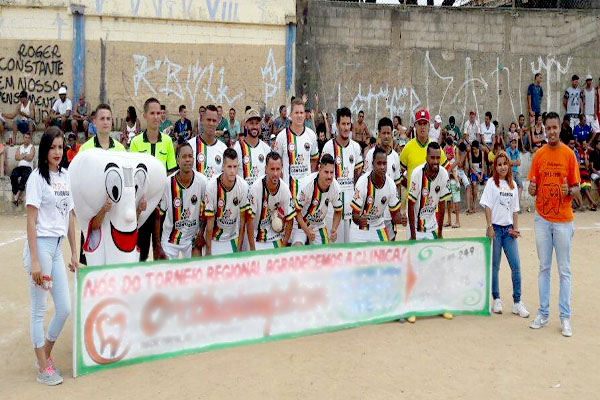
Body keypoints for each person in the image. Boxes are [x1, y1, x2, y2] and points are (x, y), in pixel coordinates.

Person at [24, 127, 78, 385]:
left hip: (57, 249)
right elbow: (31, 220)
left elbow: (69, 216)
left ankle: (44, 355)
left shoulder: (66, 176)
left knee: (65, 308)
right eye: (52, 147)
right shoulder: (37, 178)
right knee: (39, 310)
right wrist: (34, 260)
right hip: (41, 249)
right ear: (45, 150)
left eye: (60, 147)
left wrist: (74, 253)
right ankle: (43, 368)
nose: (57, 152)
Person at [528, 111, 580, 337]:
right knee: (544, 268)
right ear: (543, 129)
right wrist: (531, 190)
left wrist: (570, 191)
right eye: (547, 128)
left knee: (564, 270)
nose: (551, 132)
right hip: (542, 218)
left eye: (554, 128)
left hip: (563, 220)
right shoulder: (538, 155)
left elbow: (577, 188)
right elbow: (533, 185)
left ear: (560, 128)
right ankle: (543, 313)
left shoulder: (569, 155)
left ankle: (565, 317)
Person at [406, 142, 452, 323]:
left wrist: (440, 232)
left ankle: (439, 305)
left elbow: (441, 203)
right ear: (426, 158)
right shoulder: (417, 174)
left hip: (432, 227)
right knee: (414, 269)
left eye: (437, 158)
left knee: (437, 267)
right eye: (432, 157)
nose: (435, 161)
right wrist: (412, 235)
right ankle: (411, 307)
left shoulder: (444, 174)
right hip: (417, 229)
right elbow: (410, 204)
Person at [481, 150, 529, 318]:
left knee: (516, 266)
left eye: (505, 164)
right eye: (499, 164)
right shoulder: (490, 184)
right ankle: (497, 299)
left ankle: (517, 302)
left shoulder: (513, 186)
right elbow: (487, 205)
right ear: (495, 166)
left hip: (508, 230)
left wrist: (515, 228)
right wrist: (489, 226)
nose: (502, 167)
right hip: (496, 229)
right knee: (495, 266)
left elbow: (515, 209)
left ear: (509, 166)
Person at [78, 104, 127, 265]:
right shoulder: (85, 149)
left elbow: (126, 181)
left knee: (113, 264)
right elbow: (79, 183)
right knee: (91, 265)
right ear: (94, 122)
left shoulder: (120, 149)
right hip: (93, 215)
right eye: (102, 119)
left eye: (108, 118)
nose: (105, 122)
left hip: (114, 214)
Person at [130, 98, 177, 262]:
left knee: (160, 252)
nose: (156, 117)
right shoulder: (135, 143)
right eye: (152, 113)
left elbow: (171, 173)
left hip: (162, 208)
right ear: (144, 115)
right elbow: (133, 178)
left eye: (159, 113)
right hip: (142, 208)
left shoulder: (168, 142)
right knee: (140, 254)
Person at [155, 142, 207, 259]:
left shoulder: (202, 181)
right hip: (170, 239)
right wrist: (158, 245)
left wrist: (201, 233)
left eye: (190, 156)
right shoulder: (167, 183)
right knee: (167, 273)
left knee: (195, 272)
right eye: (184, 157)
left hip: (192, 238)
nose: (187, 160)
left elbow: (208, 210)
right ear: (177, 160)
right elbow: (158, 216)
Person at [321, 107, 363, 243]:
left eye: (348, 124)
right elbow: (322, 177)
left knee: (350, 251)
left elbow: (358, 176)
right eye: (343, 124)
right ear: (337, 125)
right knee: (333, 250)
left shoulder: (356, 147)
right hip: (333, 209)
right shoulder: (328, 147)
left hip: (351, 207)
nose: (346, 127)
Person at [350, 147, 405, 243]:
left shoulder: (391, 184)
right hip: (360, 229)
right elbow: (354, 215)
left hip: (378, 226)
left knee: (384, 256)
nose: (382, 167)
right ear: (373, 164)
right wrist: (359, 220)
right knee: (359, 257)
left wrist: (402, 219)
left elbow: (395, 215)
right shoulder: (362, 182)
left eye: (384, 163)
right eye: (379, 163)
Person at [204, 148, 252, 255]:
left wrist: (239, 248)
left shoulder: (243, 186)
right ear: (222, 167)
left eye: (235, 167)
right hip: (215, 238)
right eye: (229, 167)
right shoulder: (211, 186)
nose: (232, 171)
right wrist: (208, 251)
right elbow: (210, 222)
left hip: (232, 237)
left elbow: (243, 219)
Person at [292, 154, 343, 245]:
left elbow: (338, 211)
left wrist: (334, 228)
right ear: (319, 169)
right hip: (301, 223)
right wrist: (307, 231)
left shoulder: (335, 187)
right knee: (298, 248)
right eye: (326, 172)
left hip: (318, 224)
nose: (329, 176)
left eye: (332, 172)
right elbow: (297, 211)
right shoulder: (307, 184)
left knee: (325, 254)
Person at [400, 109, 449, 203]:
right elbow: (399, 173)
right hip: (412, 204)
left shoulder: (435, 148)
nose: (422, 127)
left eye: (425, 124)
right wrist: (410, 186)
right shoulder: (408, 147)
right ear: (415, 126)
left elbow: (446, 169)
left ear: (429, 126)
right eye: (420, 124)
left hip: (432, 205)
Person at [364, 117, 402, 239]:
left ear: (392, 134)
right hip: (373, 213)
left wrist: (397, 208)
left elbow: (398, 185)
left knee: (390, 243)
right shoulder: (371, 154)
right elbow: (365, 182)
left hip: (389, 213)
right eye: (383, 133)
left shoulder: (395, 157)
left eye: (388, 133)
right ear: (379, 134)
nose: (386, 136)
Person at [249, 152, 295, 249]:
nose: (275, 173)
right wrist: (252, 248)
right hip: (255, 236)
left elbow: (290, 219)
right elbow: (249, 220)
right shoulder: (255, 188)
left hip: (275, 236)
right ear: (266, 169)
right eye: (272, 169)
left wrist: (283, 246)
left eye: (278, 169)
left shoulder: (285, 189)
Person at [275, 98, 319, 197]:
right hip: (288, 192)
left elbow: (314, 160)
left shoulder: (311, 135)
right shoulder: (282, 136)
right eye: (296, 113)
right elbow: (276, 163)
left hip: (306, 192)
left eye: (301, 113)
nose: (299, 116)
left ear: (305, 114)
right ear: (290, 115)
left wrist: (308, 178)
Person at [233, 109, 271, 187]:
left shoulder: (266, 148)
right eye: (251, 123)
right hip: (243, 197)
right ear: (246, 126)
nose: (254, 127)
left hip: (261, 197)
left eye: (257, 123)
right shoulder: (238, 148)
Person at [190, 104, 228, 180]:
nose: (211, 123)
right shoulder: (190, 146)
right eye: (208, 120)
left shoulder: (223, 149)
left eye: (214, 121)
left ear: (217, 123)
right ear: (202, 121)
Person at [11, 131, 35, 206]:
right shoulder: (19, 147)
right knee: (13, 175)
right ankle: (18, 195)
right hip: (20, 167)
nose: (27, 139)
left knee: (25, 176)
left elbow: (30, 158)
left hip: (28, 168)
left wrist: (22, 155)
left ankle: (17, 195)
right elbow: (16, 157)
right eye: (25, 137)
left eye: (28, 138)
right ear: (23, 138)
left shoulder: (32, 147)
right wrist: (25, 155)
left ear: (30, 139)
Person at [468, 140, 487, 213]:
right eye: (473, 149)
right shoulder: (470, 154)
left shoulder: (481, 153)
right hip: (474, 172)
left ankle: (486, 203)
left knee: (486, 183)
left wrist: (481, 175)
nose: (474, 150)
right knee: (474, 184)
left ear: (478, 148)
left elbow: (483, 167)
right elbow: (471, 167)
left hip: (480, 172)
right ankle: (474, 205)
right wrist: (477, 175)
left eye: (475, 149)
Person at [506, 138, 523, 209]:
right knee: (512, 186)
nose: (514, 144)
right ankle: (512, 203)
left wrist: (513, 162)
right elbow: (508, 163)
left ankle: (517, 202)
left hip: (516, 171)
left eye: (515, 143)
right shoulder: (507, 150)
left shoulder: (517, 151)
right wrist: (515, 161)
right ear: (510, 143)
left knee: (521, 186)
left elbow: (519, 163)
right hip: (510, 172)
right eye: (512, 143)